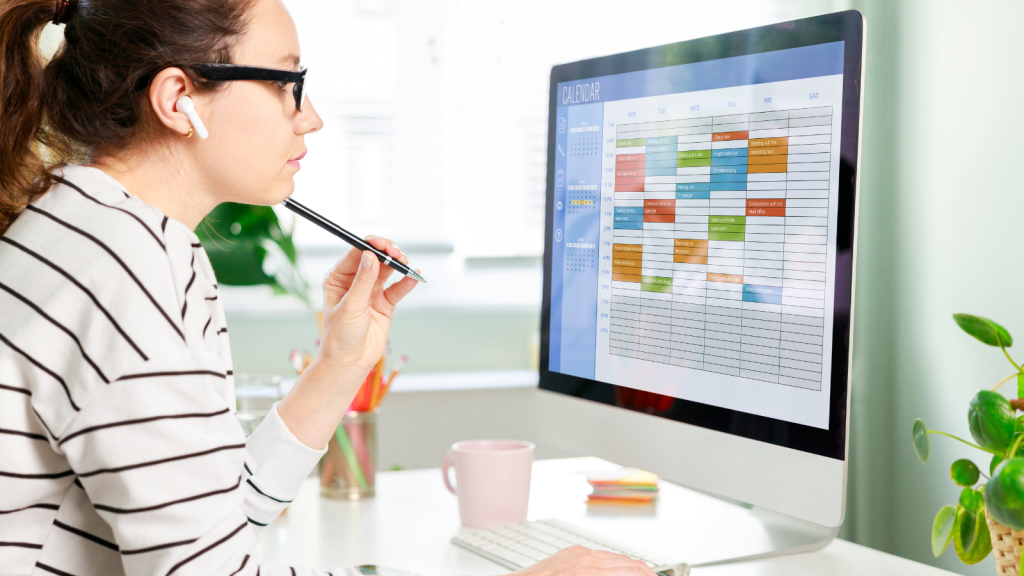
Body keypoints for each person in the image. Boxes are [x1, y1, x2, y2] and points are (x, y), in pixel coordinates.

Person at [0, 1, 661, 575]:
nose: (309, 117)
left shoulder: (87, 228)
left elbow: (213, 531)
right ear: (179, 101)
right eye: (289, 83)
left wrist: (338, 365)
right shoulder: (128, 273)